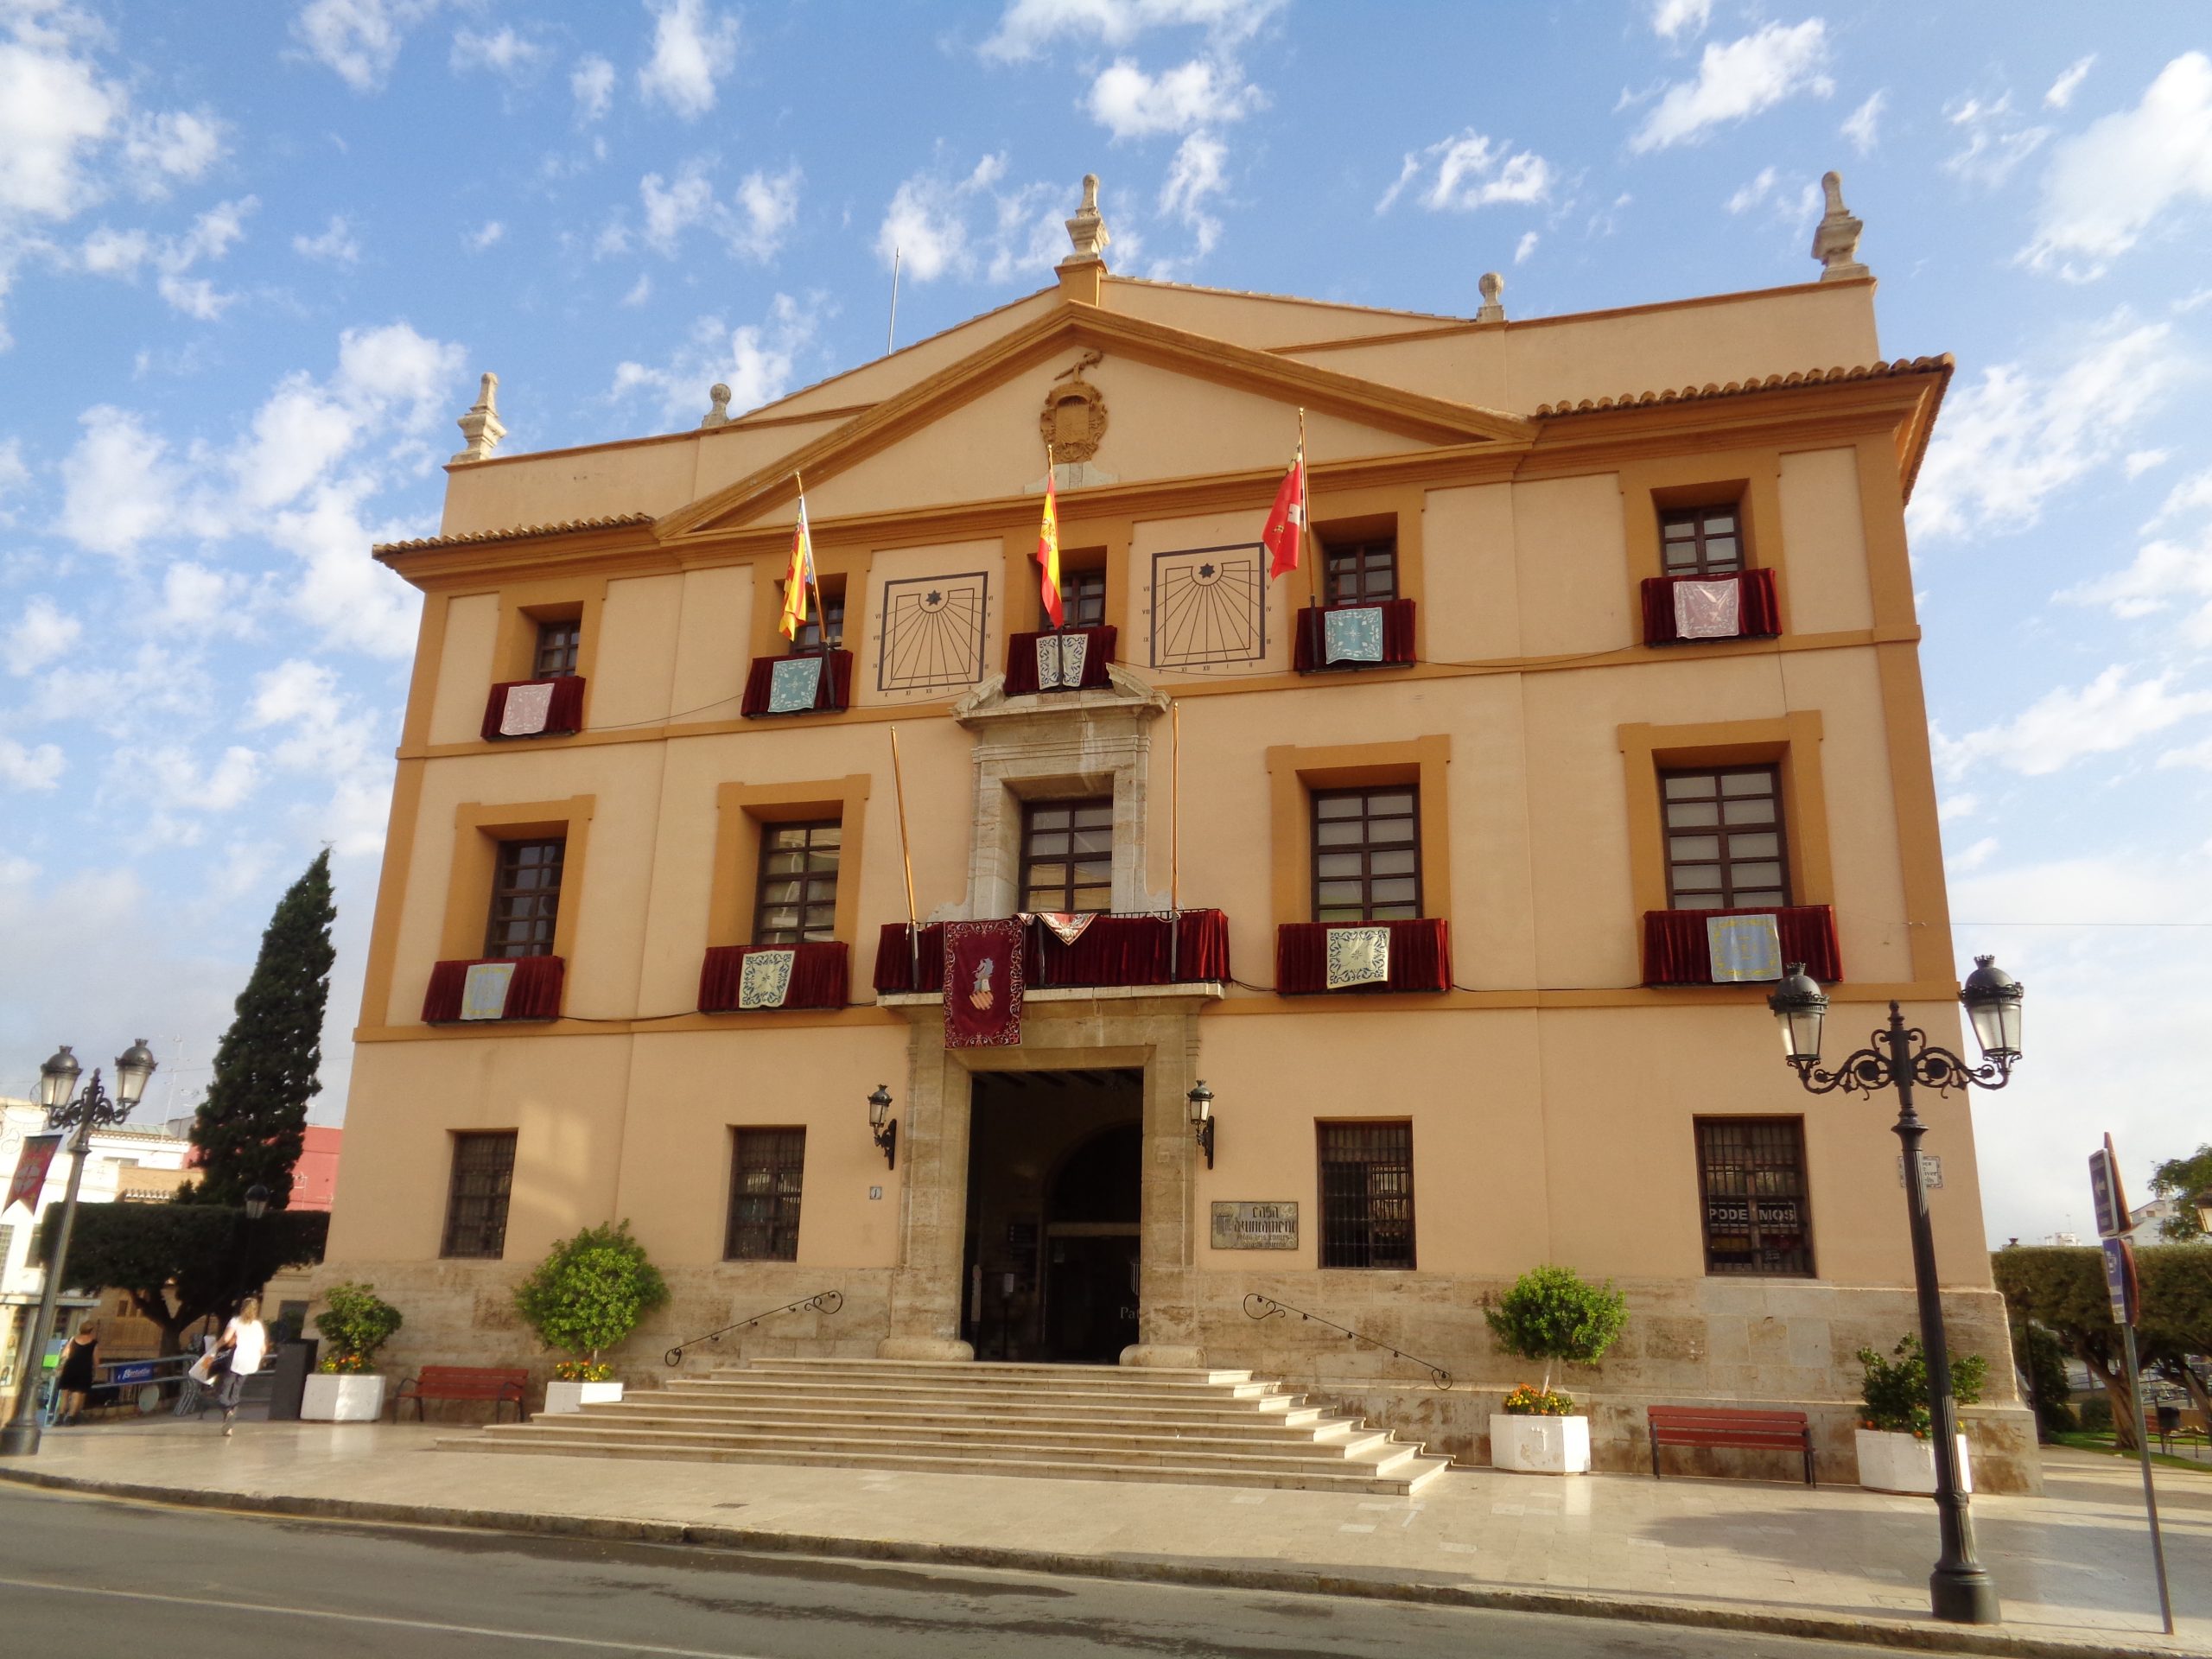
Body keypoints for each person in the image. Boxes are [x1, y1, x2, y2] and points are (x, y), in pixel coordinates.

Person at [213, 1296, 268, 1438]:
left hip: (236, 1359)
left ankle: (228, 1412)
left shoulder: (236, 1321)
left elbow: (225, 1339)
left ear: (242, 1308)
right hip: (251, 1361)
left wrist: (214, 1347)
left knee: (222, 1392)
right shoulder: (257, 1325)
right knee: (236, 1393)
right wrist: (258, 1359)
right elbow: (263, 1348)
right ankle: (229, 1427)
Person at [54, 1322, 98, 1426]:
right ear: (91, 1331)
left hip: (70, 1367)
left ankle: (60, 1416)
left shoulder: (72, 1339)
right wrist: (96, 1370)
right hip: (84, 1369)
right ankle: (70, 1417)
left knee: (64, 1393)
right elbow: (96, 1360)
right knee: (77, 1393)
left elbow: (64, 1354)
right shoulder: (94, 1343)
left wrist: (61, 1364)